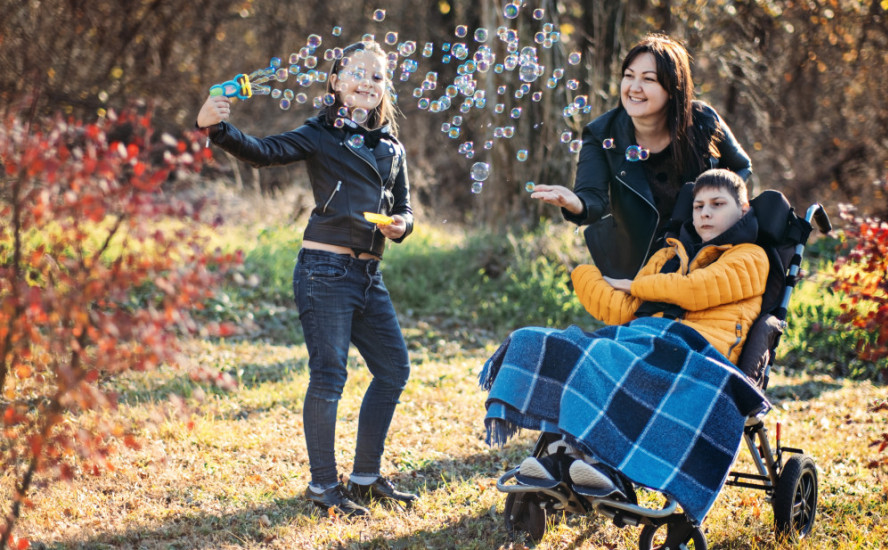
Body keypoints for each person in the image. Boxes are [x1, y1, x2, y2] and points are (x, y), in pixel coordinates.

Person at [196, 40, 418, 518]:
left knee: (394, 368)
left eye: (377, 76)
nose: (367, 82)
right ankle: (323, 487)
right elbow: (263, 152)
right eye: (356, 72)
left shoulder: (392, 145)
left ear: (386, 90)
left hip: (366, 273)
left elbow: (404, 206)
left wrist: (404, 225)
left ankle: (363, 478)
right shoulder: (321, 134)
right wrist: (217, 127)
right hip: (325, 269)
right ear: (335, 82)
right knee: (330, 375)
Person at [480, 170, 770, 524]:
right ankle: (564, 456)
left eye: (717, 205)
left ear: (742, 209)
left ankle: (606, 466)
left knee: (606, 356)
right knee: (556, 344)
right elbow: (627, 310)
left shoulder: (751, 256)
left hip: (698, 353)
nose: (705, 213)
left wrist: (635, 284)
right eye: (698, 206)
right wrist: (585, 276)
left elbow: (696, 289)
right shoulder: (668, 256)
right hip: (644, 338)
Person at [530, 33, 752, 280]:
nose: (634, 88)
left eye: (648, 79)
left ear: (672, 88)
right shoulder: (601, 133)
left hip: (703, 255)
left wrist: (717, 205)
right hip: (636, 264)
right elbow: (592, 198)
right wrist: (576, 204)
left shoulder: (703, 121)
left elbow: (741, 167)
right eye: (628, 76)